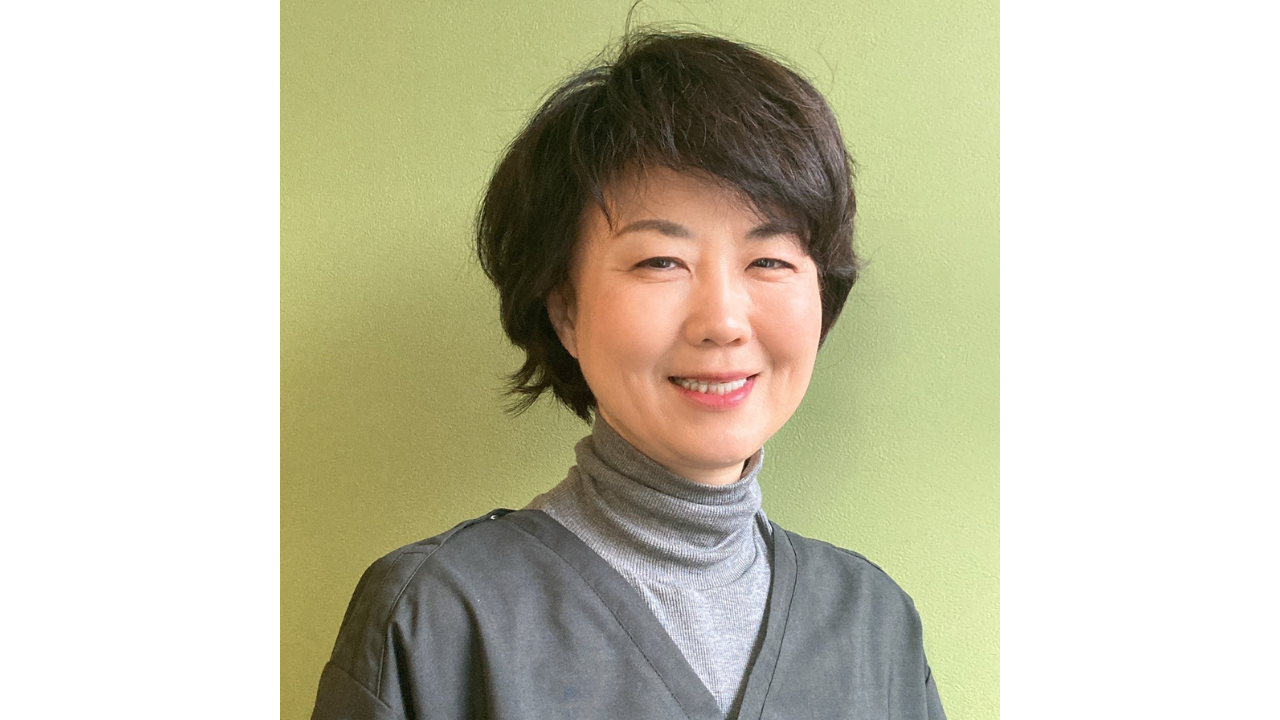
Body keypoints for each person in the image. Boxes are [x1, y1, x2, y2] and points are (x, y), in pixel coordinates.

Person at [311, 31, 946, 720]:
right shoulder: (437, 618)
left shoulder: (877, 624)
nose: (723, 322)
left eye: (770, 261)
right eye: (660, 262)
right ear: (565, 310)